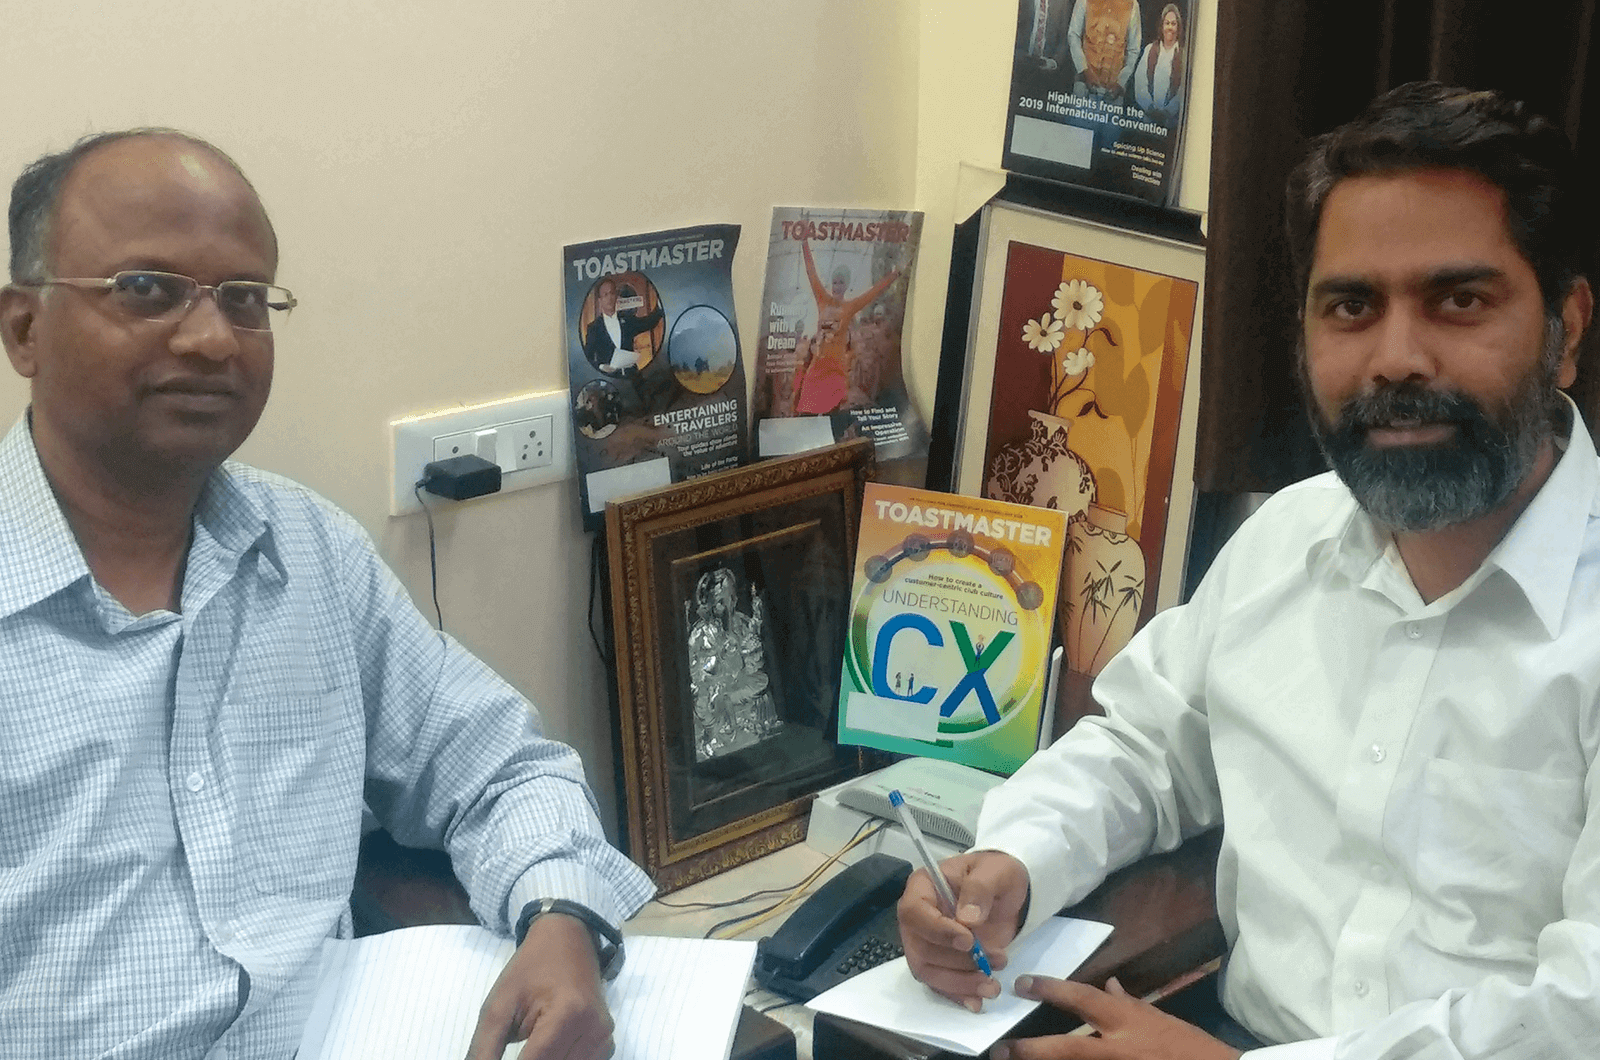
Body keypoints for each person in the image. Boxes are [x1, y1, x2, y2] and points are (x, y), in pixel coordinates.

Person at [899, 82, 1600, 1059]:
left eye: (1458, 299)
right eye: (1350, 306)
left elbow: (1580, 1012)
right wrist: (1012, 860)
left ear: (1565, 330)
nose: (1395, 358)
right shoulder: (1287, 540)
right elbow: (1142, 747)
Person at [0, 129, 654, 1059]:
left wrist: (560, 919)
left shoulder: (305, 552)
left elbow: (504, 768)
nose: (211, 338)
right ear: (25, 328)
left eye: (244, 299)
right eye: (145, 289)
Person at [793, 239, 898, 415]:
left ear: (846, 285)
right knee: (807, 414)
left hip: (836, 371)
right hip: (818, 368)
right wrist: (804, 241)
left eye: (841, 282)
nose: (837, 286)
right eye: (835, 282)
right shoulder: (822, 300)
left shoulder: (850, 307)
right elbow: (811, 271)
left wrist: (895, 275)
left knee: (833, 417)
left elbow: (873, 293)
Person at [582, 274, 663, 376]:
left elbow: (648, 323)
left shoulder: (627, 320)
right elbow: (587, 357)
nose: (609, 297)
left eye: (612, 293)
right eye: (605, 294)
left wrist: (660, 305)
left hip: (633, 377)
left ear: (616, 296)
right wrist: (601, 366)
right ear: (600, 300)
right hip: (611, 380)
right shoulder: (593, 328)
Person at [1068, 0, 1142, 101]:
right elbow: (1073, 35)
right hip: (1084, 86)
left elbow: (1134, 50)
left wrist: (1120, 83)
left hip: (1113, 94)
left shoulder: (1132, 4)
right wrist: (1083, 70)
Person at [1133, 4, 1185, 128]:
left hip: (1170, 125)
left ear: (1178, 27)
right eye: (1167, 23)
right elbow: (1139, 83)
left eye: (1173, 24)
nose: (1170, 27)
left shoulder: (1184, 56)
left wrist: (1166, 113)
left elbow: (1182, 91)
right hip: (1147, 121)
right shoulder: (1150, 50)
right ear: (1161, 26)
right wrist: (1151, 109)